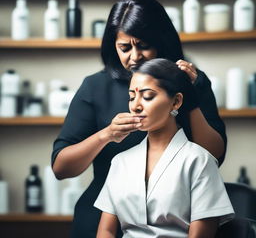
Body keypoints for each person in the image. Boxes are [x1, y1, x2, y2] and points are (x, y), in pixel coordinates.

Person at [51, 0, 227, 238]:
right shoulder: (95, 87)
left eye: (143, 45)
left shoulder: (191, 82)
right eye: (124, 48)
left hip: (175, 222)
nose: (134, 57)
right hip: (101, 222)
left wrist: (191, 96)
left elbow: (213, 155)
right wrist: (106, 135)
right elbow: (61, 168)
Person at [94, 58, 234, 238]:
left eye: (147, 96)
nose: (135, 106)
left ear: (176, 102)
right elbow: (105, 231)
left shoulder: (199, 161)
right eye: (131, 97)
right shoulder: (121, 162)